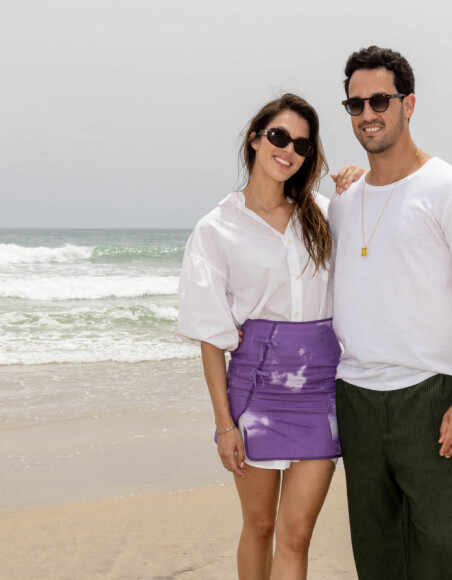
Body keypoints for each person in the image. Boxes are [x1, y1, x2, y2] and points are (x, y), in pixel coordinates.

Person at [177, 93, 341, 580]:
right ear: (254, 139)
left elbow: (379, 240)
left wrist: (357, 182)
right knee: (260, 524)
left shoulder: (327, 214)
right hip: (256, 392)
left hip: (320, 391)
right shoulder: (216, 229)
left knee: (297, 534)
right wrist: (224, 424)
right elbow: (210, 334)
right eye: (279, 136)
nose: (288, 150)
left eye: (302, 145)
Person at [328, 45, 452, 580]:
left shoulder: (443, 187)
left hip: (428, 395)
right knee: (376, 557)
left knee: (440, 551)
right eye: (355, 104)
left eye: (380, 99)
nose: (368, 113)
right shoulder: (343, 199)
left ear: (409, 103)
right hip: (355, 397)